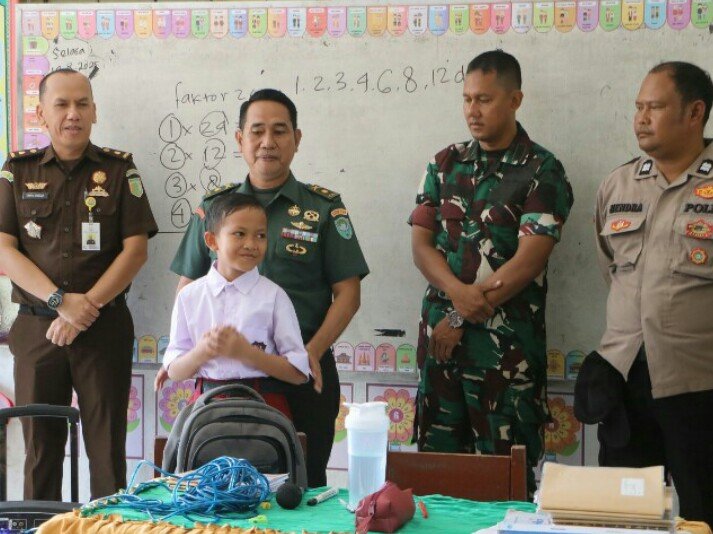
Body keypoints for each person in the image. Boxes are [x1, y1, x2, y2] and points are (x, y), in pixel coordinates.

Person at [162, 88, 369, 487]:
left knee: (302, 488)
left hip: (302, 372)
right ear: (240, 139)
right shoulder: (215, 208)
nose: (268, 142)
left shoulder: (324, 208)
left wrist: (312, 352)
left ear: (297, 138)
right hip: (227, 383)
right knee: (219, 489)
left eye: (280, 131)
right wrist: (183, 353)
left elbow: (348, 293)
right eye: (257, 131)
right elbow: (187, 285)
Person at [409, 50, 573, 494]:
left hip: (505, 364)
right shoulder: (445, 163)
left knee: (505, 487)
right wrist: (455, 295)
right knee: (437, 482)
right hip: (442, 354)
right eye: (467, 99)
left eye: (484, 99)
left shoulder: (542, 170)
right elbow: (422, 247)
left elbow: (529, 260)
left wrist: (460, 313)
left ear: (515, 99)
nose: (472, 110)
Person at [0, 68, 157, 500]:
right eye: (62, 104)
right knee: (40, 452)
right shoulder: (17, 171)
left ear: (94, 111)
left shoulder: (119, 170)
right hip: (38, 330)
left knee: (107, 453)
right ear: (41, 114)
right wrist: (59, 301)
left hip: (103, 327)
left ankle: (106, 528)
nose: (74, 113)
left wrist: (83, 308)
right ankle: (43, 527)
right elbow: (4, 250)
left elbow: (136, 251)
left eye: (82, 104)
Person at [593, 61, 713, 523]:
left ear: (695, 113)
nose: (641, 119)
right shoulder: (619, 184)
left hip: (698, 384)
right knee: (624, 518)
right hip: (626, 381)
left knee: (704, 513)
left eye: (655, 107)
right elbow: (612, 269)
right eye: (638, 107)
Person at [164, 193, 310, 418]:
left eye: (260, 235)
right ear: (212, 241)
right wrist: (201, 352)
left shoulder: (274, 297)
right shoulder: (189, 297)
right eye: (239, 234)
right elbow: (174, 371)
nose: (251, 244)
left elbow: (298, 373)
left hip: (263, 408)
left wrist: (248, 353)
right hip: (205, 408)